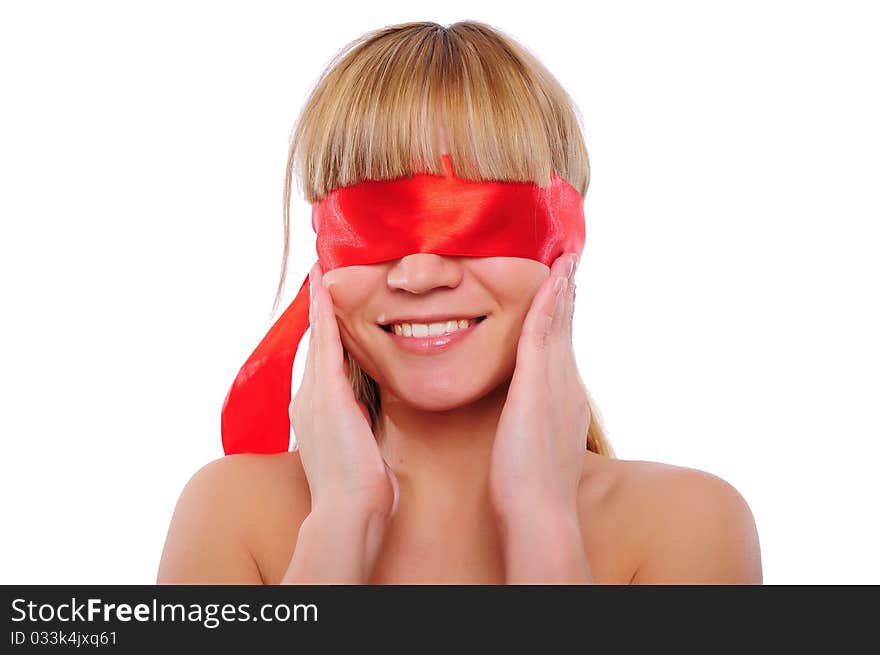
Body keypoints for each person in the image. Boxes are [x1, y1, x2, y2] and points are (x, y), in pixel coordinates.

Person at [157, 20, 762, 584]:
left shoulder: (687, 523)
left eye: (478, 219)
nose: (419, 273)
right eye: (373, 222)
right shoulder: (231, 514)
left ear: (562, 243)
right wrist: (340, 524)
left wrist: (540, 523)